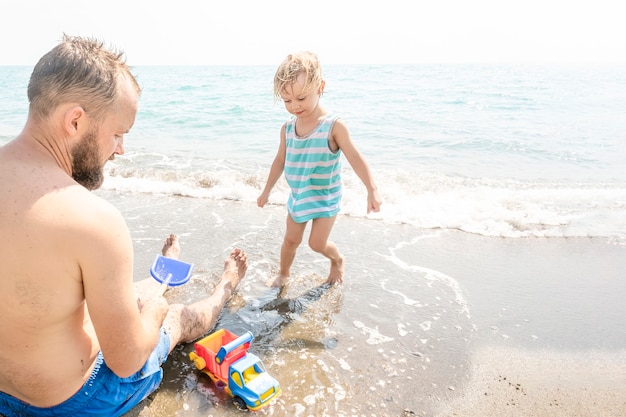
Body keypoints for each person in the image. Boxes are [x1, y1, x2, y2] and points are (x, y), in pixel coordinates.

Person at [0, 35, 247, 417]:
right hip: (72, 402)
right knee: (170, 315)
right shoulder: (91, 219)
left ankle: (162, 272)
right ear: (76, 121)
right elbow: (127, 361)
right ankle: (225, 284)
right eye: (118, 134)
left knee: (103, 291)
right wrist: (157, 312)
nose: (120, 150)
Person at [257, 51, 382, 287]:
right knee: (291, 240)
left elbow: (355, 157)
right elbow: (279, 161)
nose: (294, 106)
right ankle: (284, 274)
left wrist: (372, 189)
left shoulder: (333, 126)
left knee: (316, 243)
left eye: (301, 98)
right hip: (300, 195)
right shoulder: (287, 129)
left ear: (320, 87)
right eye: (287, 101)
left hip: (325, 197)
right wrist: (266, 191)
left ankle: (337, 259)